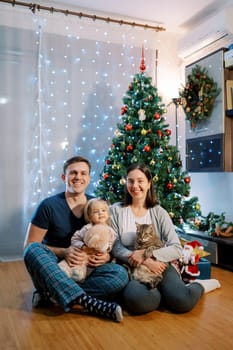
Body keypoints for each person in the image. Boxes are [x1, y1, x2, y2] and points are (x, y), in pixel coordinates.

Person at [23, 156, 128, 322]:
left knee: (120, 275)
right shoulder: (48, 206)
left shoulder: (97, 205)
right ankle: (88, 302)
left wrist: (107, 256)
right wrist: (64, 252)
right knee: (32, 250)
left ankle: (51, 293)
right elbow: (29, 245)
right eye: (73, 173)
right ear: (64, 177)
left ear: (88, 178)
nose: (78, 177)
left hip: (87, 269)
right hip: (56, 267)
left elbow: (109, 238)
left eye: (83, 173)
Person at [110, 163, 221, 315]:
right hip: (134, 267)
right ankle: (163, 295)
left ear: (149, 184)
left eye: (140, 181)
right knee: (138, 300)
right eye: (130, 181)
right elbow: (116, 247)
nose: (135, 185)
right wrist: (145, 260)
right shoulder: (116, 210)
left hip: (160, 264)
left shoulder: (159, 212)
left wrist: (148, 255)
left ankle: (199, 285)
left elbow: (176, 248)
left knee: (183, 302)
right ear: (126, 183)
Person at [59, 198, 116, 281]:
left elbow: (111, 243)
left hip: (97, 259)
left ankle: (80, 279)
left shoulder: (110, 231)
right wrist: (82, 246)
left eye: (103, 210)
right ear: (89, 216)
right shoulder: (87, 228)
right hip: (83, 255)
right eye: (96, 212)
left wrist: (106, 249)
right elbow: (75, 239)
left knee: (94, 273)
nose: (100, 213)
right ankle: (67, 272)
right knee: (75, 262)